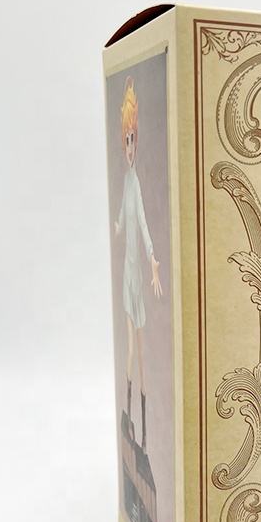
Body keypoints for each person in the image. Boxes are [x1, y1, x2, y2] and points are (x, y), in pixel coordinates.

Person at [115, 77, 163, 450]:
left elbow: (144, 224)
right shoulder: (126, 182)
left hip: (137, 270)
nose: (131, 147)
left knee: (139, 347)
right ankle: (130, 421)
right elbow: (122, 217)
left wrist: (153, 261)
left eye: (134, 140)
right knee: (131, 347)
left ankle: (142, 429)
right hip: (127, 272)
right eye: (127, 141)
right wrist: (116, 227)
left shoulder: (136, 184)